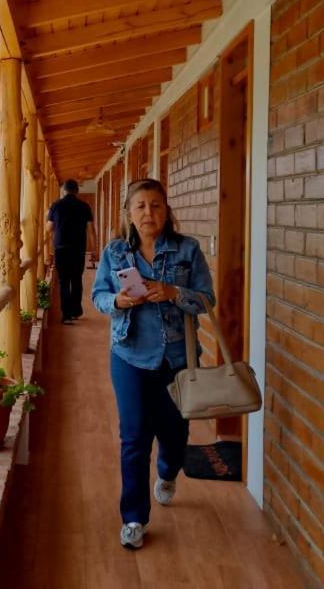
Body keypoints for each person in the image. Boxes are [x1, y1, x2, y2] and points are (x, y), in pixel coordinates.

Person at [91, 178, 215, 550]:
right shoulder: (115, 253)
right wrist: (118, 302)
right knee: (134, 437)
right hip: (129, 356)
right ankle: (134, 517)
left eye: (156, 205)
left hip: (177, 358)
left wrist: (176, 293)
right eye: (141, 206)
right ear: (129, 213)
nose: (149, 213)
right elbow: (98, 295)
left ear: (167, 210)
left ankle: (168, 471)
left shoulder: (186, 250)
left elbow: (207, 300)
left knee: (175, 433)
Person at [46, 179, 95, 324]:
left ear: (64, 190)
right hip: (78, 248)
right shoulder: (84, 206)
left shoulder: (56, 205)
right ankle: (76, 311)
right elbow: (91, 230)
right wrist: (94, 249)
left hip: (61, 248)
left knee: (63, 281)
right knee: (76, 279)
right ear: (76, 191)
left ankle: (66, 315)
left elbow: (48, 229)